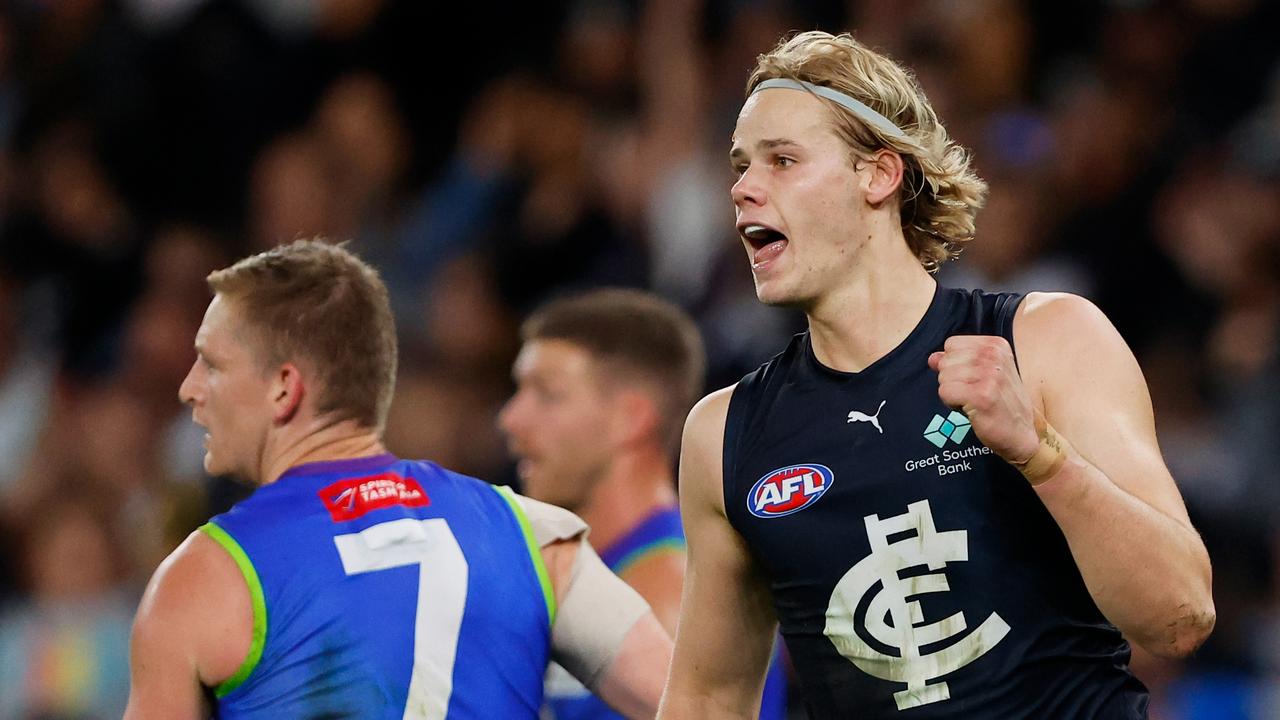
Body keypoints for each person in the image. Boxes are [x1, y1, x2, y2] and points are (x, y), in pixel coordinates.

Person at [658, 31, 1216, 719]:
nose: (743, 188)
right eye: (741, 165)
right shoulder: (723, 435)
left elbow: (1180, 617)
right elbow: (708, 699)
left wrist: (1040, 455)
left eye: (782, 160)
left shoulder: (1047, 340)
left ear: (879, 176)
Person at [125, 239, 672, 720]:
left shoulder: (203, 579)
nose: (189, 388)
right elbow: (698, 706)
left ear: (283, 388)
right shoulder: (536, 536)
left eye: (212, 364)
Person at [498, 288, 787, 720]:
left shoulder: (673, 597)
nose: (511, 419)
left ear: (631, 419)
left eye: (547, 394)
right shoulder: (587, 568)